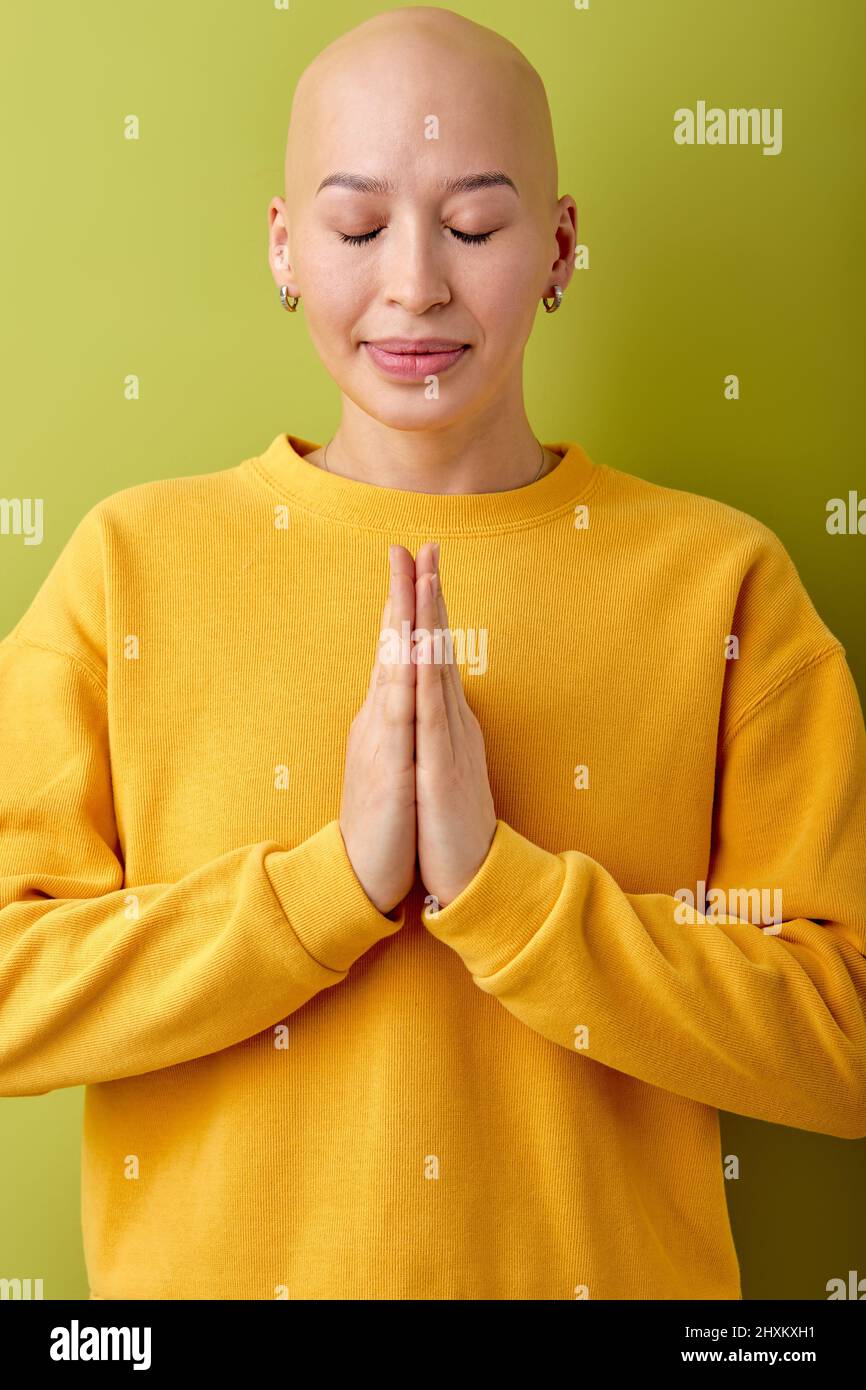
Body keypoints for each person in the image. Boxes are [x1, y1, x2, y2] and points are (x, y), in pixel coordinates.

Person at [1, 5, 864, 1301]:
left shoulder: (718, 582)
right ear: (284, 247)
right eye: (356, 228)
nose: (414, 283)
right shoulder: (131, 563)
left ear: (561, 246)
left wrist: (497, 891)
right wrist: (329, 887)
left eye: (472, 225)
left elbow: (841, 1032)